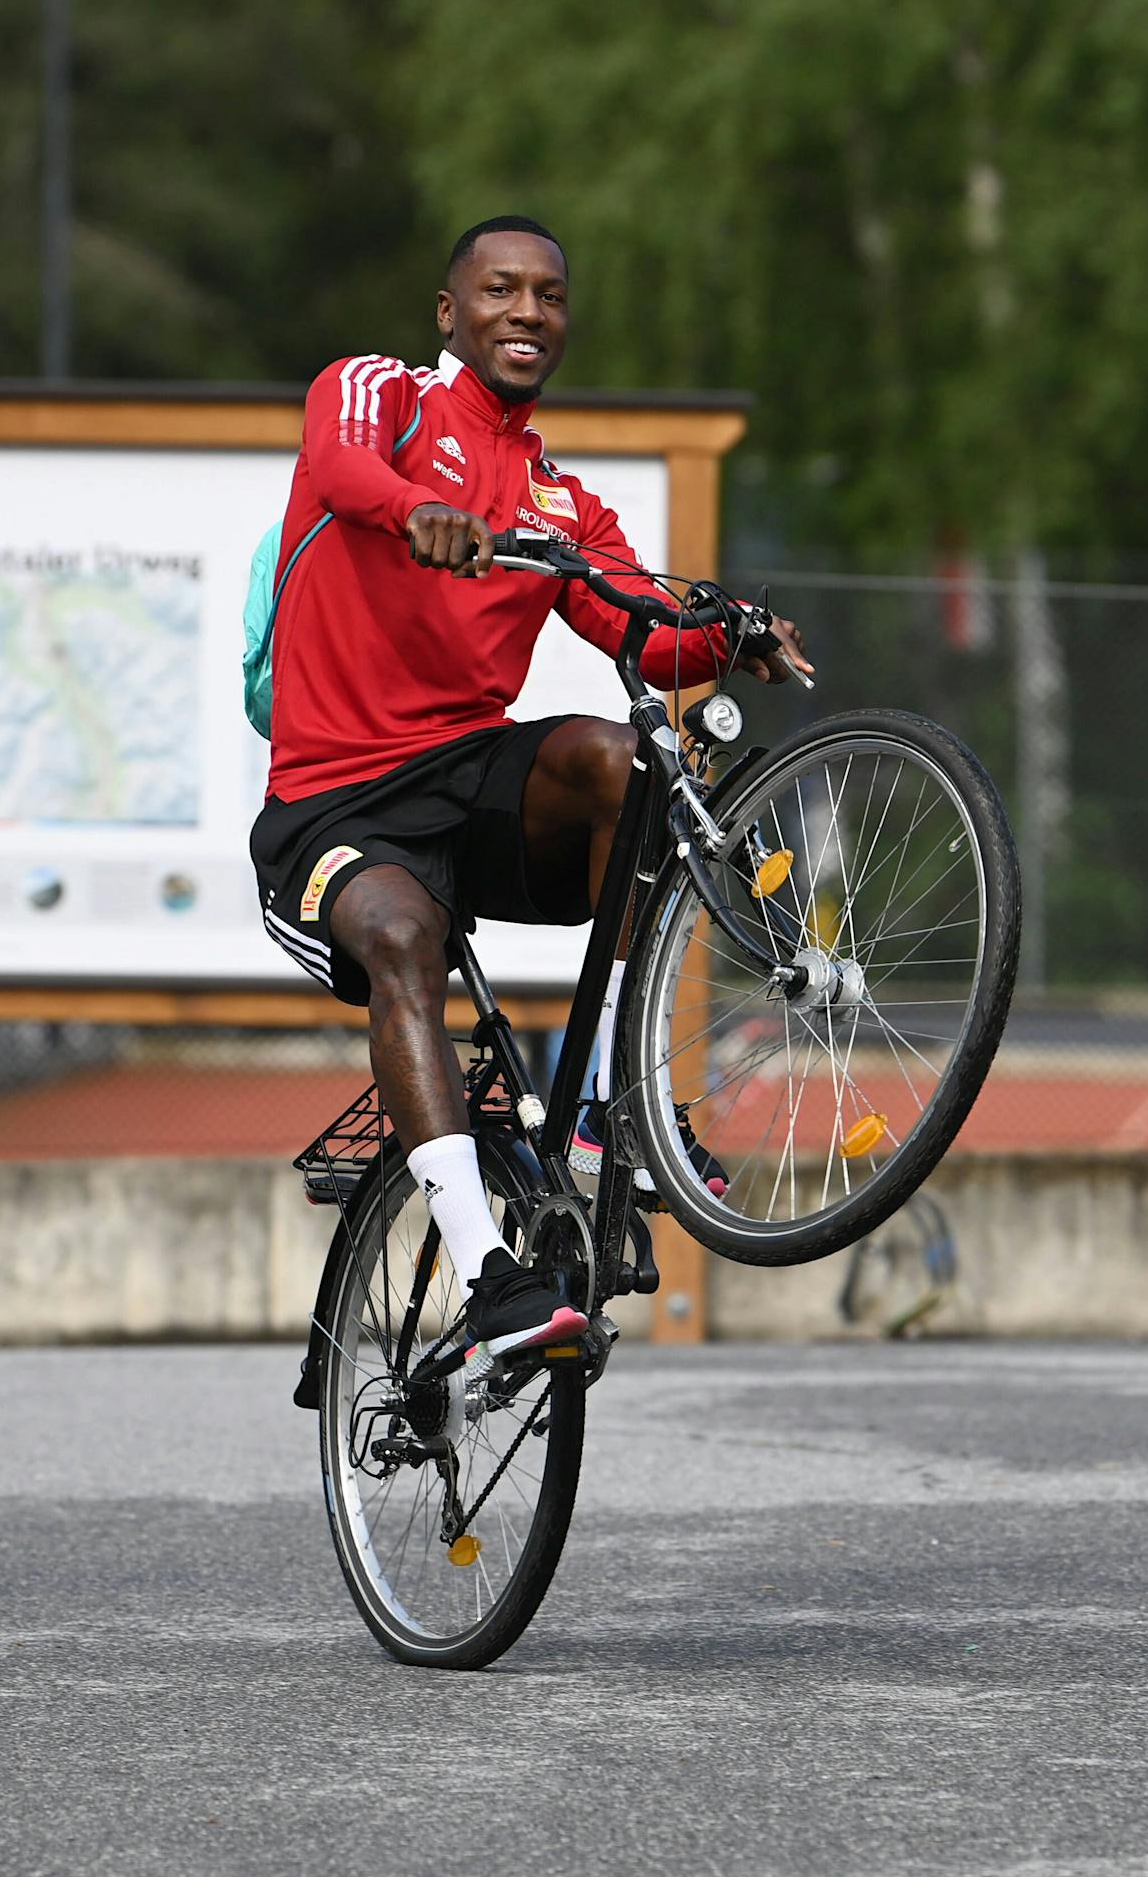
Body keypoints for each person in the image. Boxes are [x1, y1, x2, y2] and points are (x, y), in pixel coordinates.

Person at [250, 214, 811, 1373]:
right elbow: (343, 467)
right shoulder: (381, 395)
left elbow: (637, 631)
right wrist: (420, 512)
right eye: (499, 289)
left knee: (622, 757)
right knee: (404, 937)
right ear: (448, 310)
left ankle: (614, 1112)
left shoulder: (556, 496)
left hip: (469, 780)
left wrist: (725, 637)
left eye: (549, 295)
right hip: (335, 804)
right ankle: (485, 1274)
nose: (527, 311)